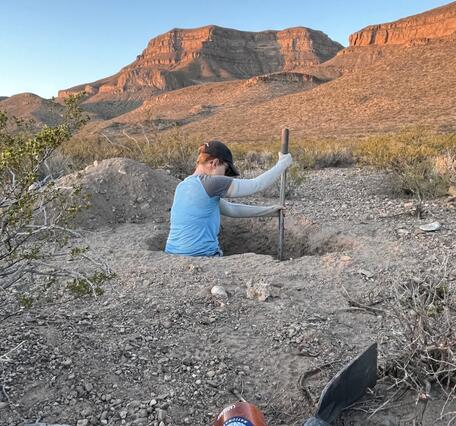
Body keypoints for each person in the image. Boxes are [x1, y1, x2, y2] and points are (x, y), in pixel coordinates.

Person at [165, 140, 292, 256]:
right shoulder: (211, 183)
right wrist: (282, 164)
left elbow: (231, 210)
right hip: (200, 256)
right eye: (225, 170)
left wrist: (269, 211)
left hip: (172, 255)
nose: (225, 176)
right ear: (214, 163)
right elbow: (256, 185)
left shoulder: (182, 186)